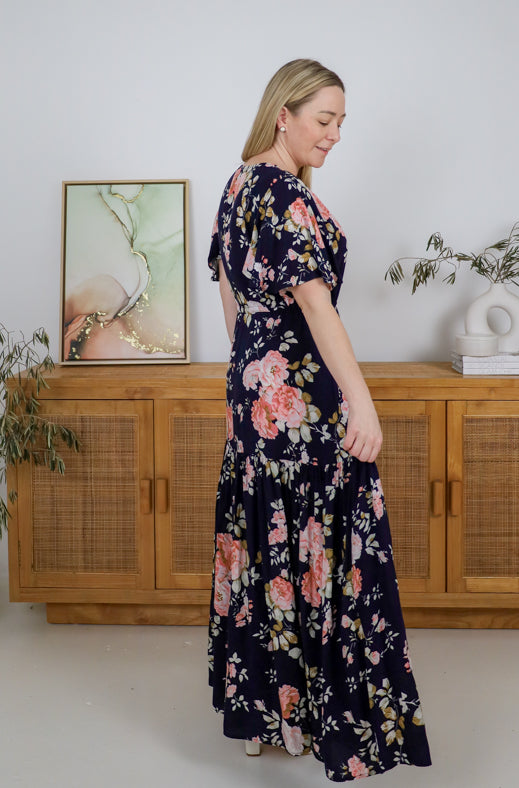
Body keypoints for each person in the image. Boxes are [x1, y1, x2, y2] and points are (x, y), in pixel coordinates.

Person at [208, 58, 431, 782]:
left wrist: (249, 380)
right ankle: (314, 716)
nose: (334, 135)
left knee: (265, 545)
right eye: (323, 119)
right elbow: (315, 305)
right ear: (285, 115)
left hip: (254, 395)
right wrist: (361, 401)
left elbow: (231, 300)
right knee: (317, 549)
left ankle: (265, 717)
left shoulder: (238, 184)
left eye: (340, 123)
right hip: (302, 404)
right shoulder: (286, 196)